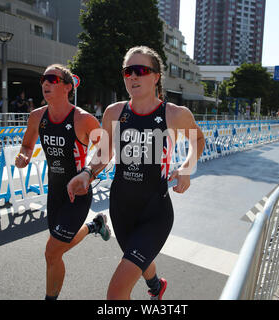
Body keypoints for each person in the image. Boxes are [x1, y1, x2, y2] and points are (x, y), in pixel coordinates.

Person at [67, 46, 205, 300]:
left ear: (155, 77)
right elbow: (104, 151)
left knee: (116, 293)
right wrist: (87, 173)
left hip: (155, 212)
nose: (133, 76)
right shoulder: (114, 112)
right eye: (128, 71)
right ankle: (156, 285)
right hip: (121, 209)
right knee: (137, 259)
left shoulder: (174, 114)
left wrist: (186, 168)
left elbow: (198, 139)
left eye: (141, 70)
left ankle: (152, 283)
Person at [15, 63, 111, 300]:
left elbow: (106, 150)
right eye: (43, 79)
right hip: (55, 193)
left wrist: (88, 172)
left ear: (67, 87)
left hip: (77, 195)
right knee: (56, 253)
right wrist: (24, 155)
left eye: (52, 79)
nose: (46, 83)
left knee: (51, 252)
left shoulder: (83, 119)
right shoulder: (37, 117)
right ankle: (94, 227)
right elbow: (27, 145)